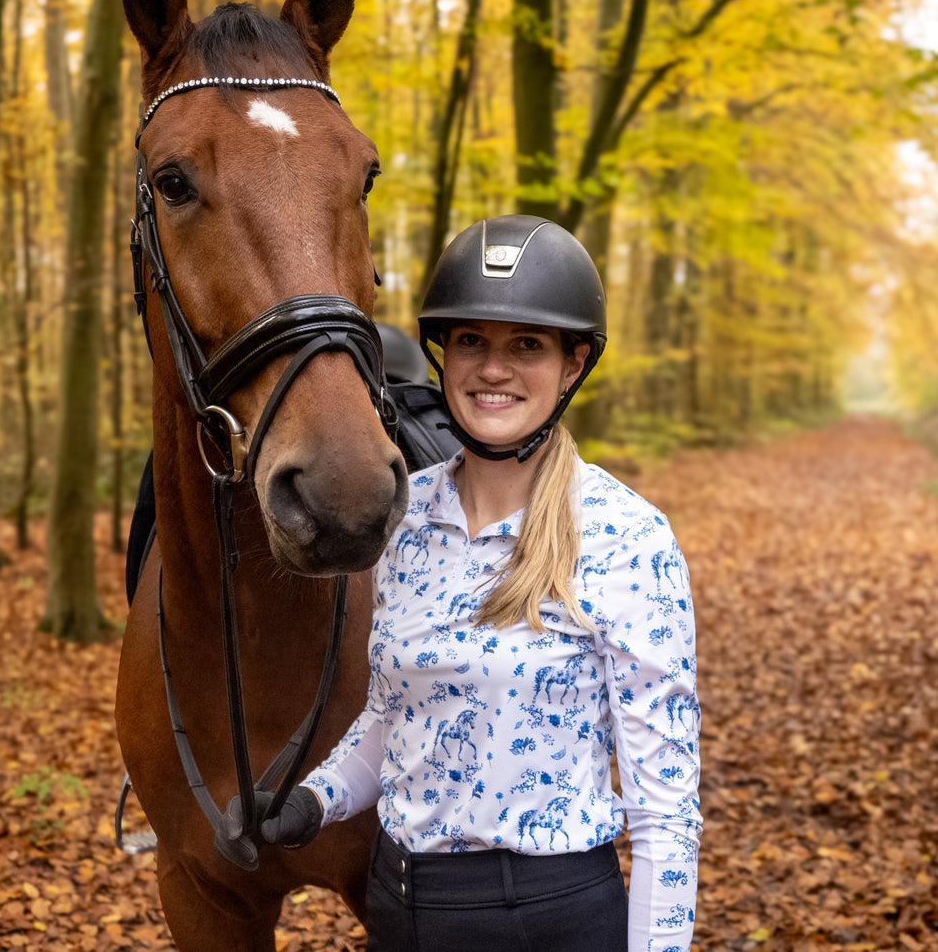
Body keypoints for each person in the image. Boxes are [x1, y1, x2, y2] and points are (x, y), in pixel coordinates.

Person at [233, 215, 701, 952]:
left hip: (548, 917)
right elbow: (392, 720)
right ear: (441, 356)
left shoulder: (626, 538)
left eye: (526, 346)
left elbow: (663, 809)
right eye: (471, 341)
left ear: (572, 364)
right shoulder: (402, 519)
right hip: (401, 906)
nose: (493, 368)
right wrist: (312, 802)